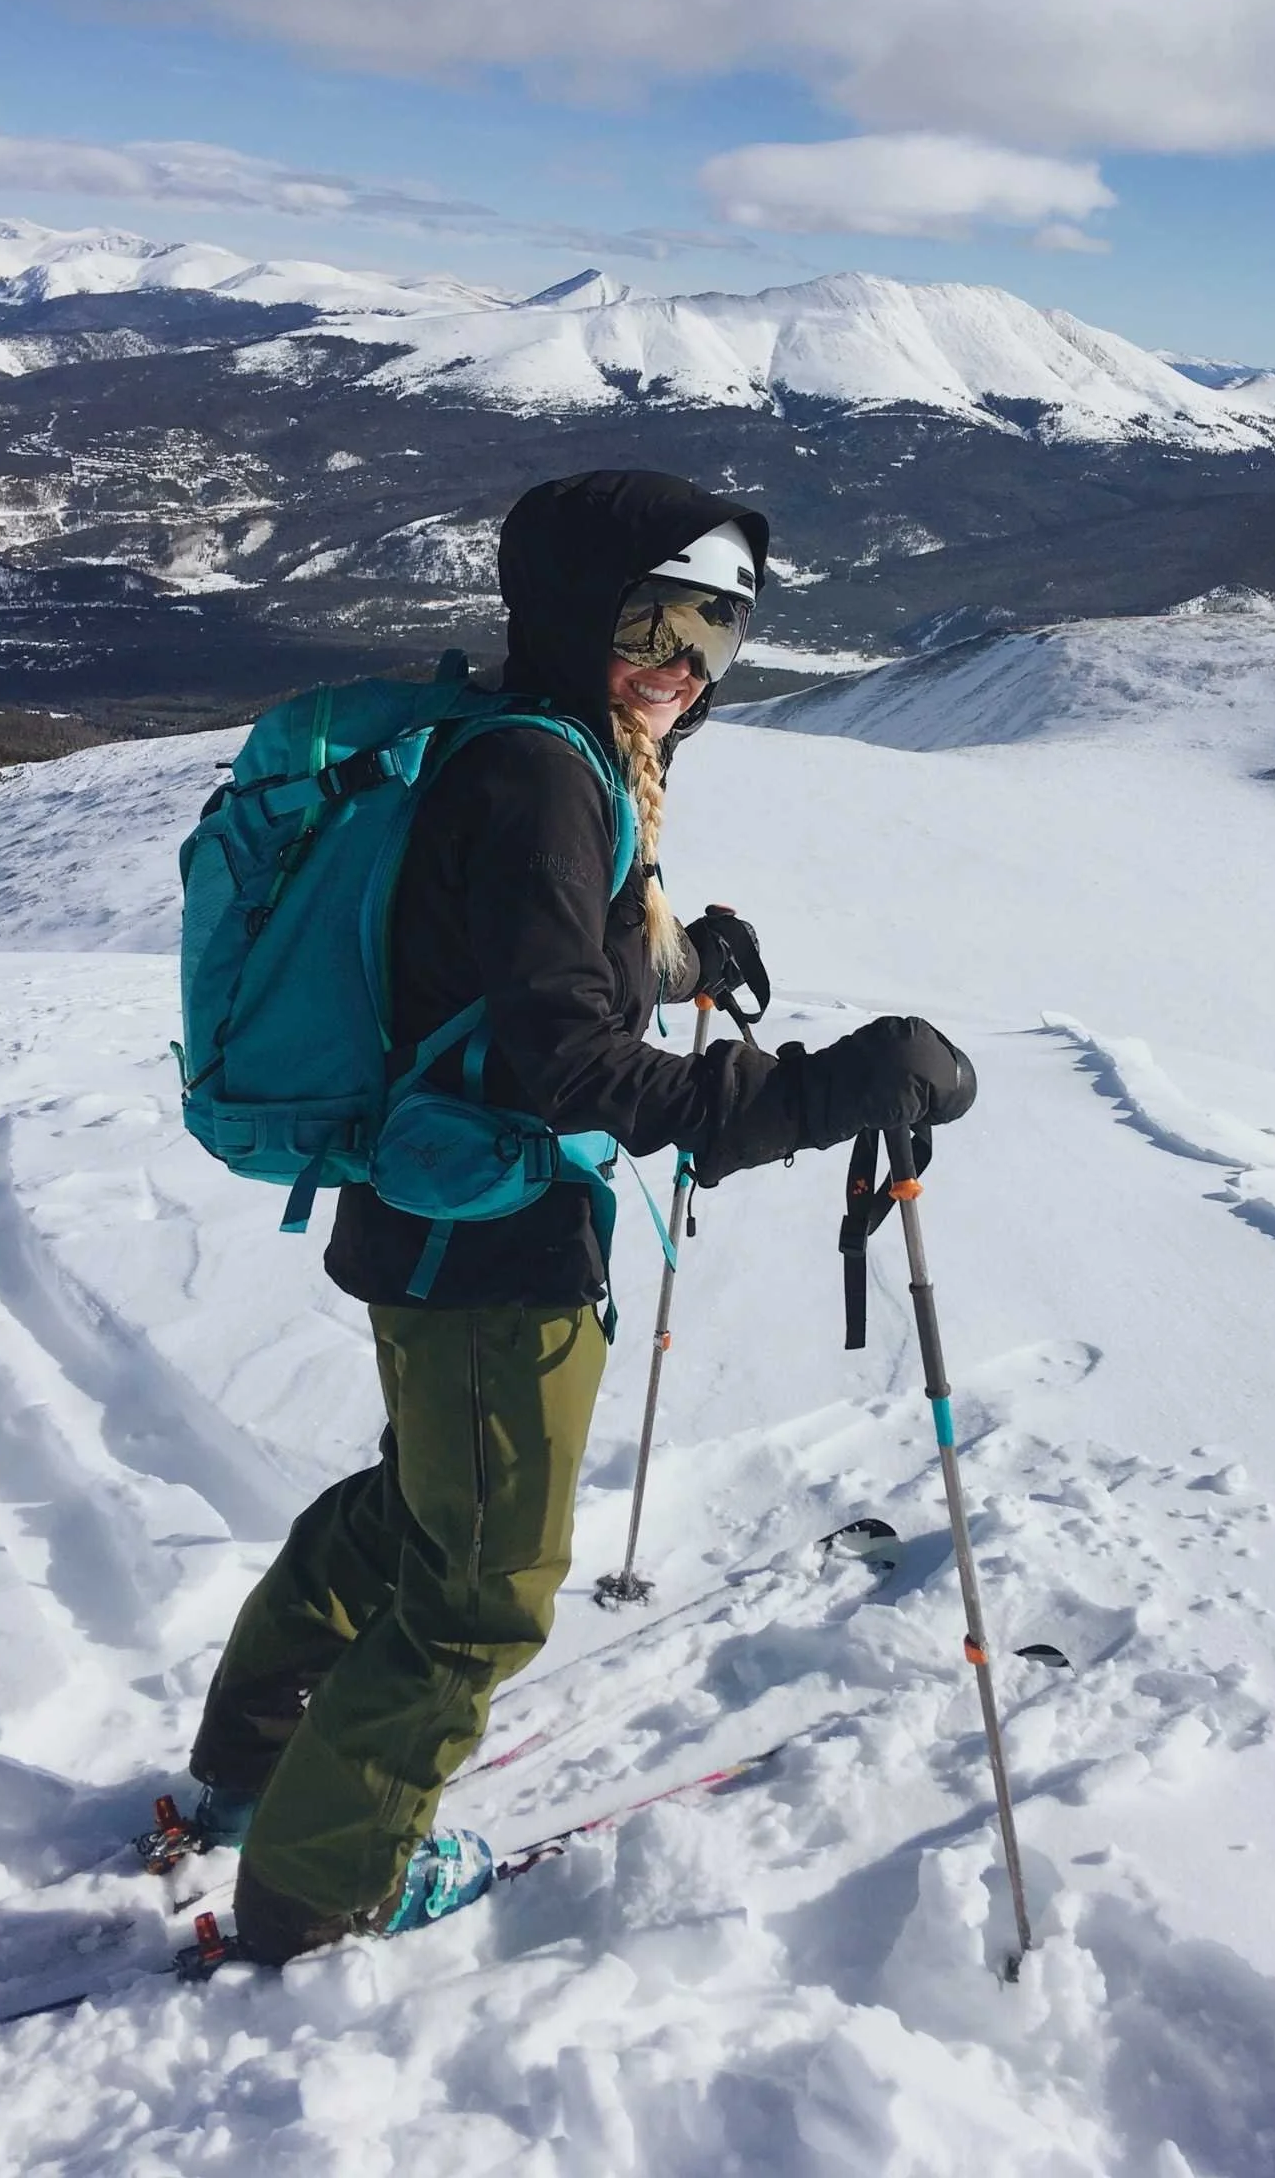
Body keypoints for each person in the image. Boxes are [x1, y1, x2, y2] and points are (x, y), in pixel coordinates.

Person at [185, 467, 976, 1965]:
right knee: (484, 1588)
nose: (685, 667)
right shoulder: (545, 771)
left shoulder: (534, 749)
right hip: (489, 1237)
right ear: (570, 613)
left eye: (720, 635)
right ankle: (324, 1887)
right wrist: (813, 1094)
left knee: (420, 1510)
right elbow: (563, 1059)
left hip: (426, 1215)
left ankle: (254, 1753)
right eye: (658, 620)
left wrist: (675, 959)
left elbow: (514, 971)